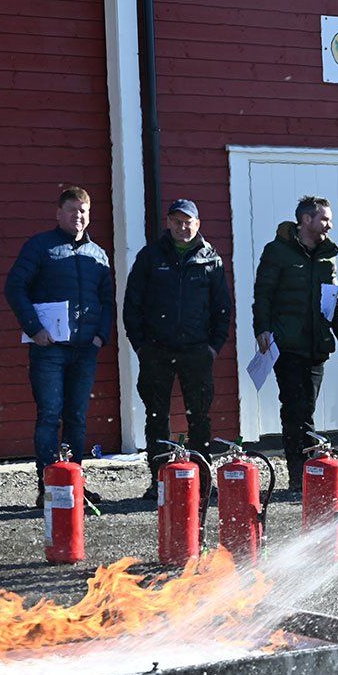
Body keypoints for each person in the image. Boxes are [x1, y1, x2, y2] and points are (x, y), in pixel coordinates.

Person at [4, 186, 114, 507]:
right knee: (50, 416)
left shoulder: (98, 254)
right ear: (58, 214)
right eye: (72, 210)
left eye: (83, 211)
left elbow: (107, 300)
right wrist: (34, 328)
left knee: (77, 417)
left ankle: (73, 483)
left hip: (85, 350)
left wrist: (100, 336)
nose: (78, 216)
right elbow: (15, 287)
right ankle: (50, 486)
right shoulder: (40, 247)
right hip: (49, 349)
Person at [124, 198, 232, 499]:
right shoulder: (150, 257)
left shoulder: (210, 259)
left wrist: (213, 347)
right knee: (156, 416)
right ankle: (159, 479)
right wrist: (140, 346)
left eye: (188, 222)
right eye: (178, 221)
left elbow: (222, 308)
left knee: (199, 417)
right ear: (169, 223)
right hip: (156, 351)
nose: (183, 227)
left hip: (197, 352)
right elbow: (132, 304)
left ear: (198, 224)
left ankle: (202, 479)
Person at [253, 195, 338, 490]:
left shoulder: (327, 255)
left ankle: (308, 471)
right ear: (306, 220)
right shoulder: (277, 251)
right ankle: (300, 473)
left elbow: (332, 300)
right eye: (324, 219)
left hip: (316, 345)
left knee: (306, 407)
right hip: (286, 344)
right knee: (294, 407)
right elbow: (263, 293)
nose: (329, 225)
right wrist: (262, 328)